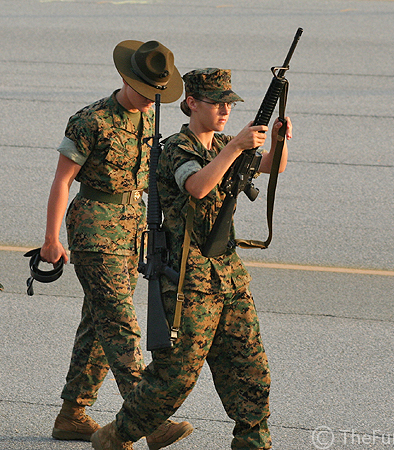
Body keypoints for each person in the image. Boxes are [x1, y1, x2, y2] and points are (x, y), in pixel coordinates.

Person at [91, 68, 292, 449]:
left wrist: (278, 140)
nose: (224, 111)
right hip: (189, 280)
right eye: (216, 103)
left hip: (228, 275)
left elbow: (273, 165)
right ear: (192, 103)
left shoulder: (222, 145)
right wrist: (236, 148)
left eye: (228, 104)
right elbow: (198, 187)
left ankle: (253, 440)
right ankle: (117, 435)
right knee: (175, 375)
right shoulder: (176, 149)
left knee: (249, 368)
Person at [40, 40, 193, 448]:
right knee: (122, 326)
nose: (151, 100)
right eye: (145, 91)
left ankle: (72, 412)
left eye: (157, 93)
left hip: (130, 233)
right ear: (125, 79)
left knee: (98, 323)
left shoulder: (149, 119)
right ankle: (148, 419)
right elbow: (62, 181)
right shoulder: (90, 121)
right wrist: (51, 238)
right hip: (93, 231)